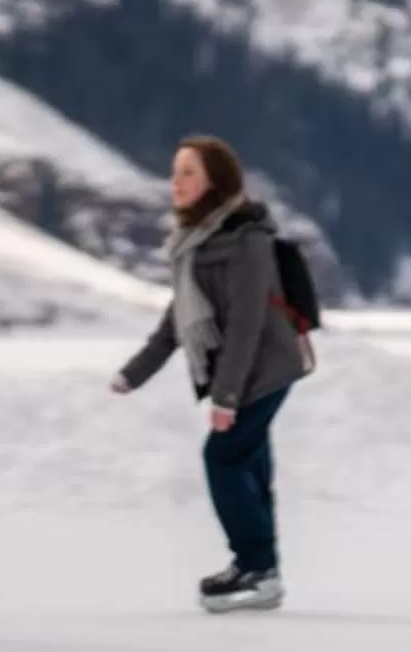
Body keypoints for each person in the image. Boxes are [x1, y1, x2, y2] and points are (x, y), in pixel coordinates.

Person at [111, 134, 312, 613]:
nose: (175, 182)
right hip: (245, 370)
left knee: (223, 458)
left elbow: (246, 323)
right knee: (248, 464)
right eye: (175, 171)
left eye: (188, 172)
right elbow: (178, 319)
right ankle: (261, 569)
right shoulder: (197, 243)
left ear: (215, 181)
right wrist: (134, 373)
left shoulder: (246, 241)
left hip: (265, 367)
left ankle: (257, 567)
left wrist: (225, 397)